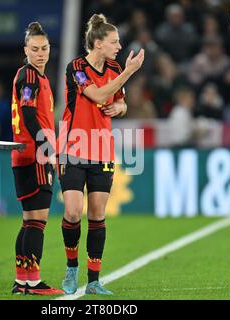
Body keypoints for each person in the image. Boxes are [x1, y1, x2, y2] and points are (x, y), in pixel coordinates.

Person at [57, 13, 144, 295]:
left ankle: (94, 280)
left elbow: (120, 103)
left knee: (96, 214)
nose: (119, 47)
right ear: (97, 43)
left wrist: (120, 109)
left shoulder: (114, 67)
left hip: (102, 150)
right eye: (114, 42)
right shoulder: (77, 67)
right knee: (72, 212)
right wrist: (129, 72)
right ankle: (72, 269)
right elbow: (96, 95)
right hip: (73, 148)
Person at [10, 22, 63, 295]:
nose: (40, 53)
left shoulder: (33, 76)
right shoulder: (30, 76)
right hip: (35, 155)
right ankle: (33, 282)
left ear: (50, 49)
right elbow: (29, 115)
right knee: (37, 221)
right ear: (25, 50)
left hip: (24, 155)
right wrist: (47, 148)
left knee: (29, 219)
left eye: (44, 48)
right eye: (34, 49)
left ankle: (22, 280)